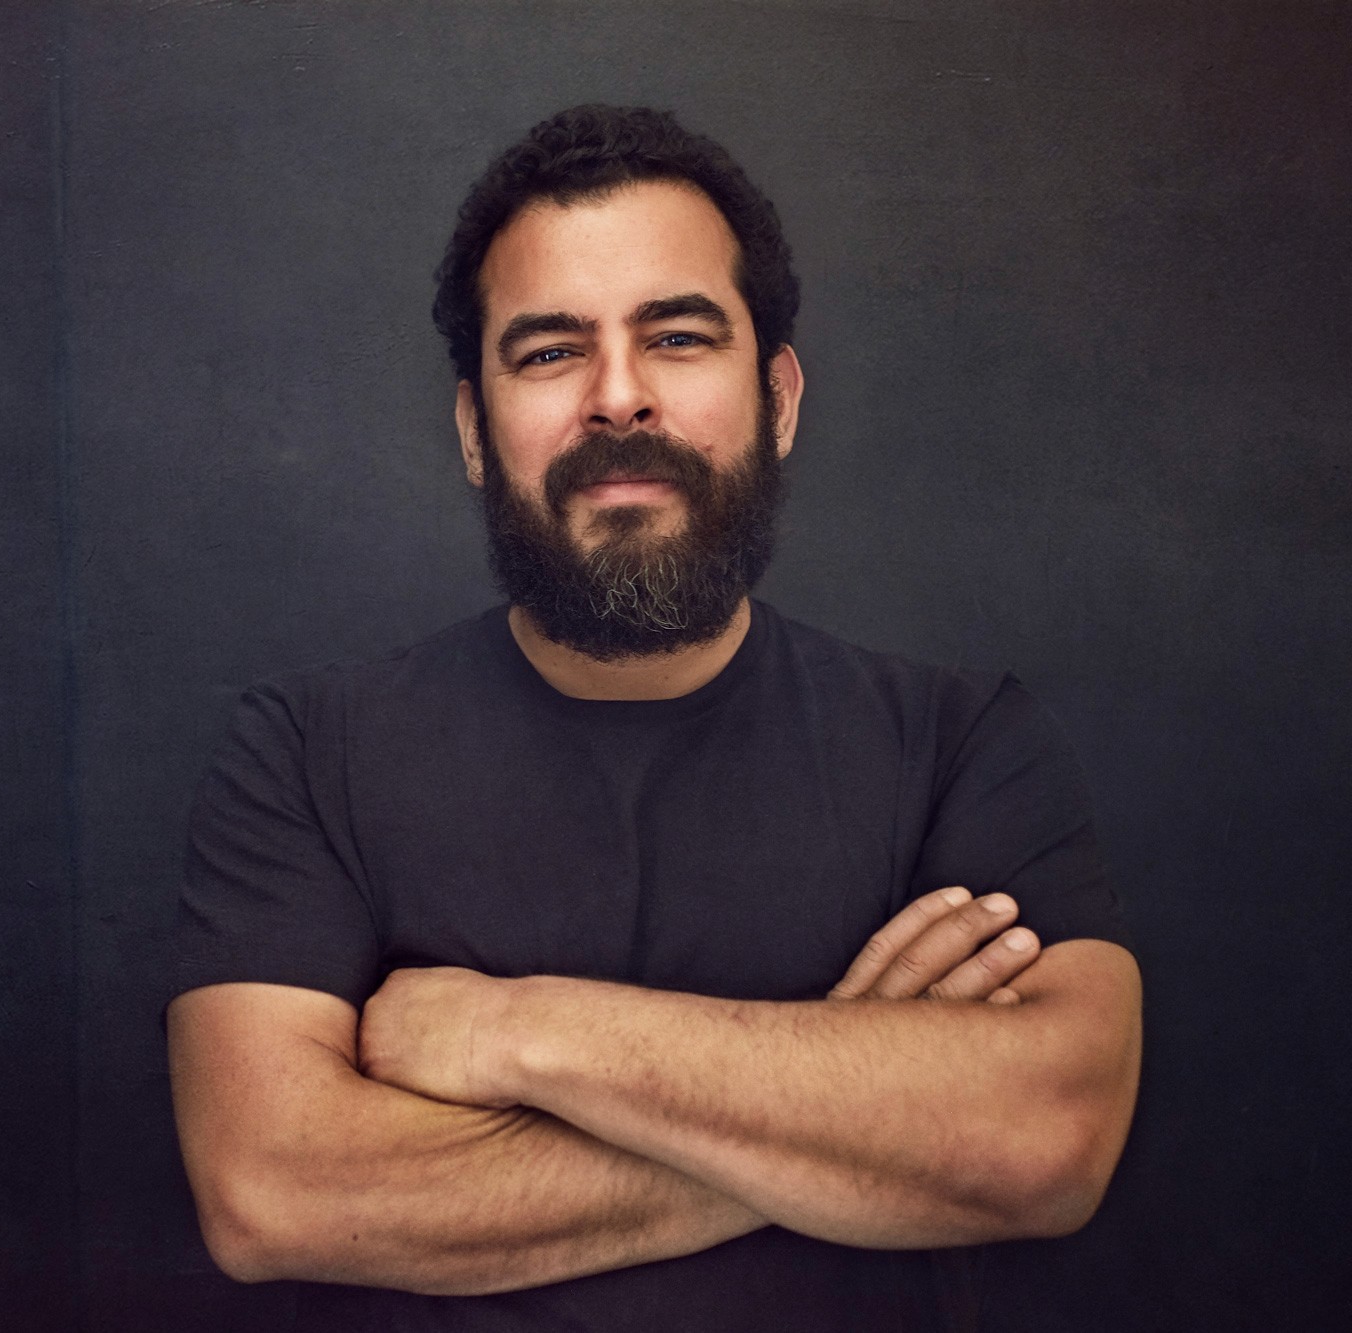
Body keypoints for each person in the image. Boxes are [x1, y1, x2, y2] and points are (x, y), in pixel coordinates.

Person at [165, 105, 1141, 1331]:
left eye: (676, 338)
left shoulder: (960, 745)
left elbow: (1044, 1141)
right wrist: (854, 1103)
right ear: (472, 429)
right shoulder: (304, 753)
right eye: (547, 352)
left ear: (777, 398)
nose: (617, 398)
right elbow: (272, 1194)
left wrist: (513, 1031)